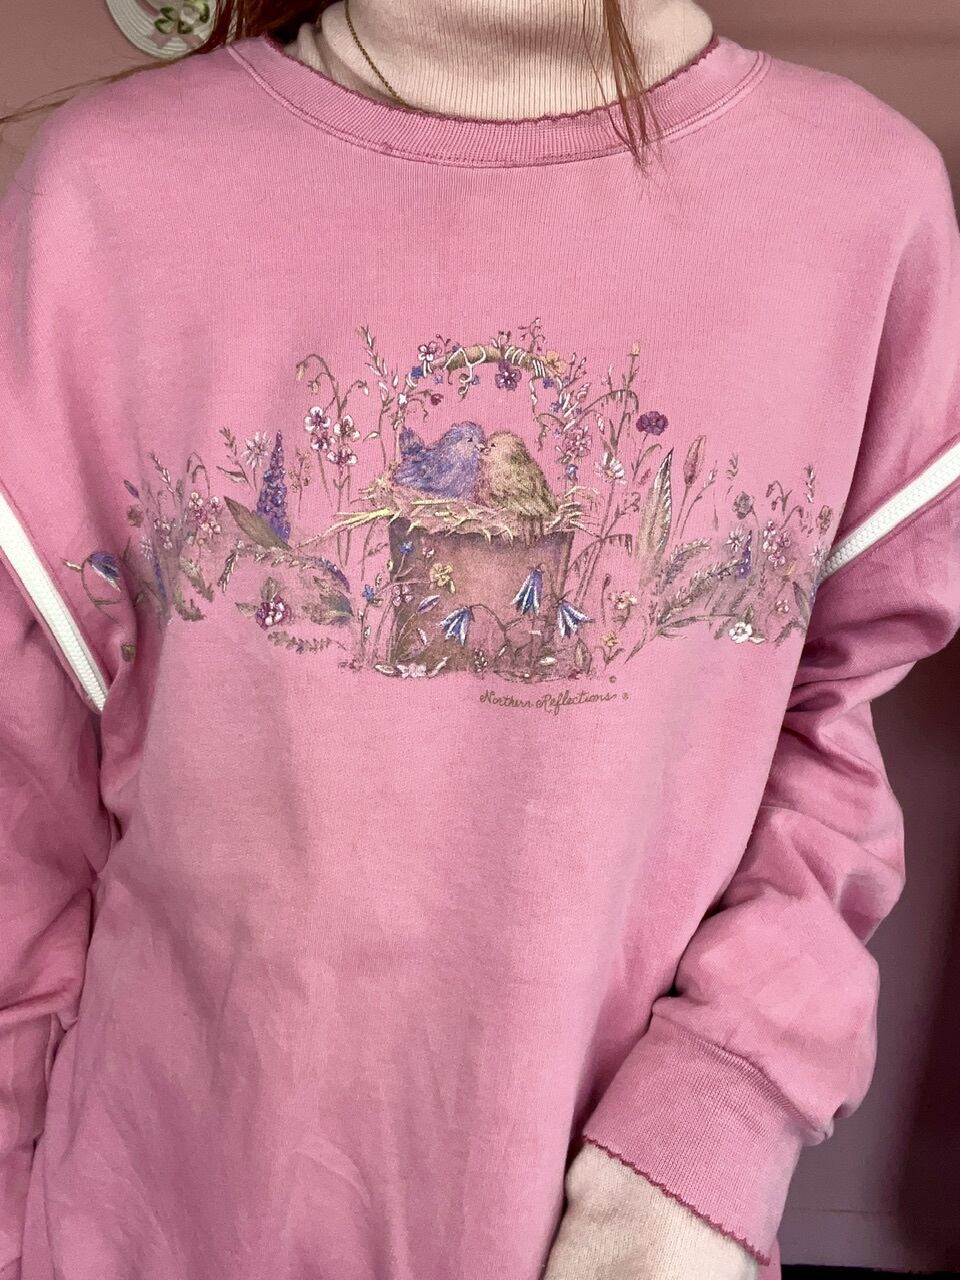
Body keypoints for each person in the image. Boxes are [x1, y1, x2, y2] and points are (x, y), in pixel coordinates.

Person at [1, 2, 958, 1278]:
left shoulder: (859, 210)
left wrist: (716, 1120)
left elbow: (822, 726)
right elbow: (25, 809)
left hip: (597, 1237)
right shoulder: (113, 194)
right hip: (140, 1214)